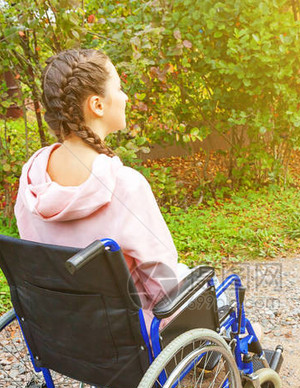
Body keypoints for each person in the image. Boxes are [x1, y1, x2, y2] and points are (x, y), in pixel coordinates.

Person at [14, 48, 182, 324]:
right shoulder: (125, 186)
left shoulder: (31, 183)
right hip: (134, 336)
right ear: (97, 105)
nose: (125, 97)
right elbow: (162, 284)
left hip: (68, 330)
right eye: (118, 87)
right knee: (224, 301)